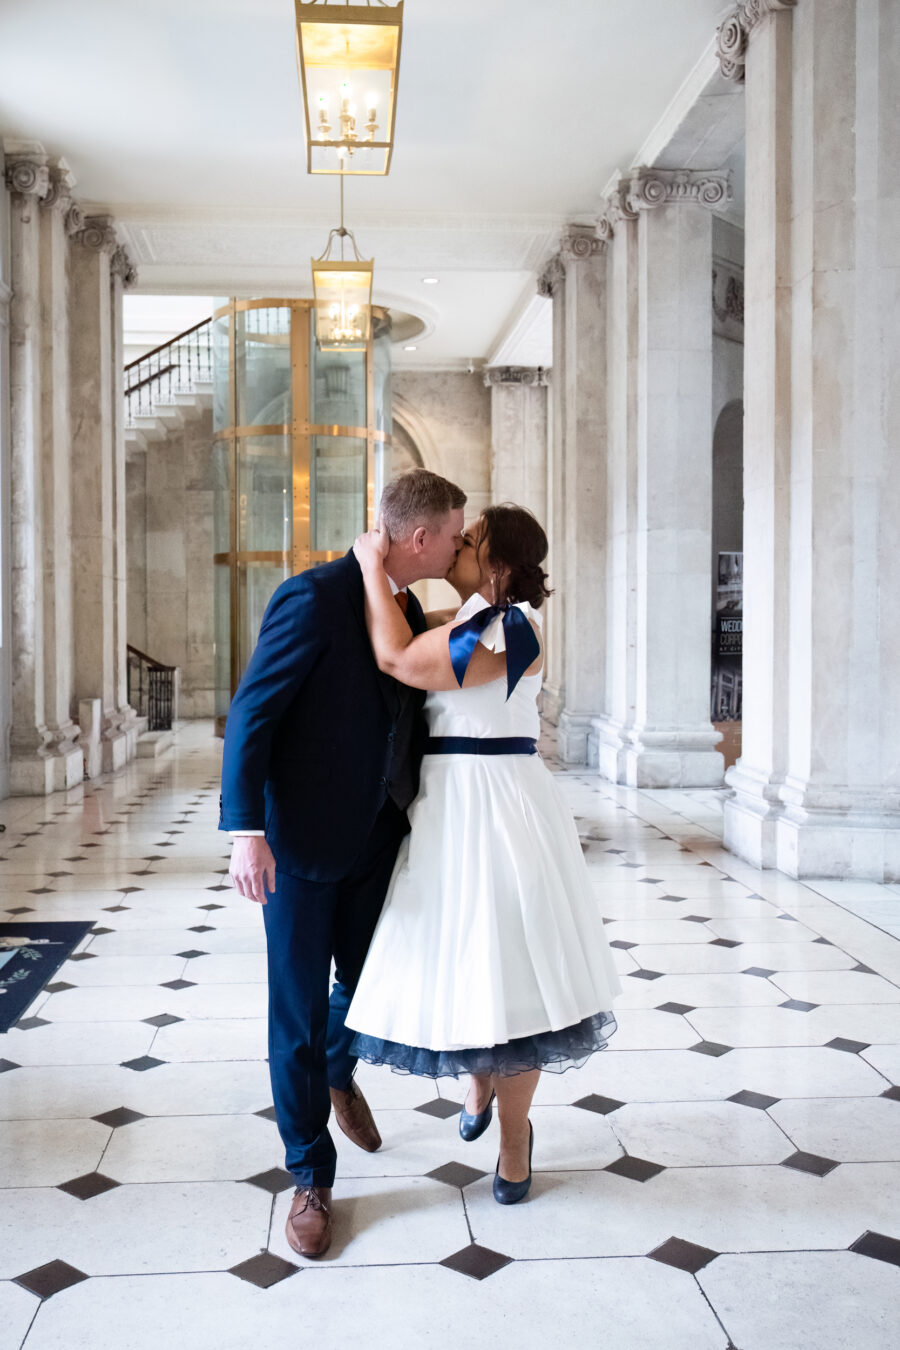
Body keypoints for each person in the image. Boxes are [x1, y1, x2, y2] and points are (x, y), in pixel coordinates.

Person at [220, 468, 466, 1257]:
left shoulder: (406, 606)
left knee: (376, 988)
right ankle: (309, 1176)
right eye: (454, 534)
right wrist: (244, 831)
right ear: (420, 537)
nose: (459, 546)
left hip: (378, 841)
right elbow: (251, 714)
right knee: (294, 1013)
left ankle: (338, 1067)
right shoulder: (314, 596)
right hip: (300, 845)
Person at [346, 504, 621, 1204]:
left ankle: (515, 1139)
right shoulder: (463, 622)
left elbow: (397, 660)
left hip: (500, 810)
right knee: (464, 960)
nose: (459, 547)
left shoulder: (514, 630)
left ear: (497, 565)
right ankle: (477, 1081)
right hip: (447, 809)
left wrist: (369, 565)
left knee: (514, 976)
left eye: (470, 541)